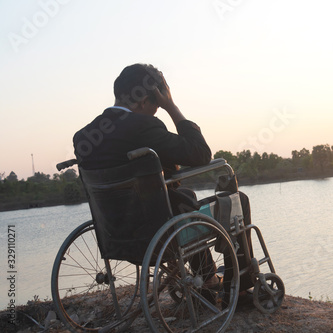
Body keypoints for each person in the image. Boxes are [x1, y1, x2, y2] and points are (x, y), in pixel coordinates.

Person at [73, 63, 253, 293]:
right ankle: (240, 287)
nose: (157, 109)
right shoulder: (143, 126)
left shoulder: (83, 137)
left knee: (184, 197)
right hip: (156, 235)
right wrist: (171, 106)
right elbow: (200, 153)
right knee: (239, 200)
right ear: (143, 100)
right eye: (156, 104)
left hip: (115, 236)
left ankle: (207, 276)